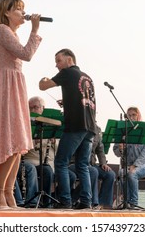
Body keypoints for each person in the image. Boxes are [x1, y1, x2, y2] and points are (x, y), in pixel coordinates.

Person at [0, 0, 42, 209]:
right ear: (7, 12)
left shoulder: (11, 33)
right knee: (9, 140)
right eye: (18, 9)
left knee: (18, 143)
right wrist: (35, 30)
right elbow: (26, 54)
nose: (23, 13)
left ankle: (7, 191)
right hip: (6, 86)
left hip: (15, 85)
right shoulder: (2, 30)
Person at [39, 48, 97, 209]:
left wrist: (43, 78)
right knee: (82, 165)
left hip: (76, 125)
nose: (56, 65)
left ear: (69, 60)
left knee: (61, 163)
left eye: (58, 60)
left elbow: (43, 86)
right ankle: (86, 201)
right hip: (90, 126)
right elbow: (83, 99)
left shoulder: (67, 73)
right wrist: (68, 102)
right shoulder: (87, 77)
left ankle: (65, 201)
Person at [113, 106, 145, 209]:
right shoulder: (123, 132)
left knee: (131, 173)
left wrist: (134, 165)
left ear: (138, 115)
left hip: (143, 165)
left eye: (134, 115)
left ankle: (133, 202)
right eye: (129, 115)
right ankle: (126, 201)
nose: (131, 117)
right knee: (122, 172)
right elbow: (116, 152)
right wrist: (121, 149)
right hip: (127, 165)